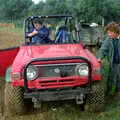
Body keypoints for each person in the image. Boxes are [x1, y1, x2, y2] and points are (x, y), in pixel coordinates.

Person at [97, 22, 120, 99]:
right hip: (113, 62)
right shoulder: (108, 40)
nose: (108, 35)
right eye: (108, 33)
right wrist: (100, 57)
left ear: (115, 31)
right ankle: (108, 92)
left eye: (110, 33)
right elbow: (103, 49)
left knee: (119, 77)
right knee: (111, 77)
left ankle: (117, 91)